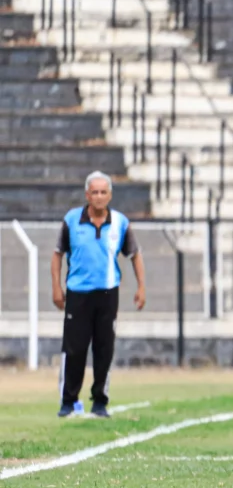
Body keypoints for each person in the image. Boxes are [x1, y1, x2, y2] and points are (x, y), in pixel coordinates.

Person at [51, 171, 146, 418]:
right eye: (95, 192)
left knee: (104, 349)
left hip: (107, 294)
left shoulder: (120, 223)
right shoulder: (72, 220)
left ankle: (100, 402)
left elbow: (135, 255)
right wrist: (56, 287)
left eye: (104, 192)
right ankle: (68, 401)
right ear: (87, 194)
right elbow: (57, 254)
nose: (99, 196)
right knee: (74, 350)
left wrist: (141, 287)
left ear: (110, 195)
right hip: (77, 294)